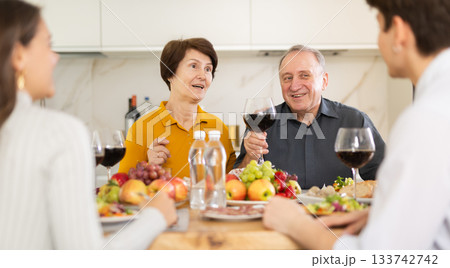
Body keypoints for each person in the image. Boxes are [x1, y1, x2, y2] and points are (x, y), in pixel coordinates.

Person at [263, 0, 450, 249]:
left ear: (399, 32)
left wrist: (294, 223)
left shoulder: (425, 118)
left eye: (380, 28)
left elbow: (375, 258)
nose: (295, 85)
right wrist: (380, 214)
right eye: (287, 78)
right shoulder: (436, 106)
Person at [0, 0, 177, 250]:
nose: (55, 58)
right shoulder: (59, 133)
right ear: (18, 55)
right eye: (48, 45)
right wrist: (156, 217)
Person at [235, 45, 385, 188]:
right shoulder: (261, 124)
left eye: (304, 75)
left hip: (337, 212)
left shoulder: (354, 120)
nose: (294, 86)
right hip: (281, 213)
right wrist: (251, 156)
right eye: (287, 78)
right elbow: (238, 184)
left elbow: (387, 176)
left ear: (324, 81)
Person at [119, 38, 236, 178]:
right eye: (194, 66)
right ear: (170, 73)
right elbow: (123, 189)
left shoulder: (219, 128)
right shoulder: (142, 128)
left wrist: (251, 155)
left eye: (208, 69)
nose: (203, 76)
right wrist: (147, 169)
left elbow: (233, 185)